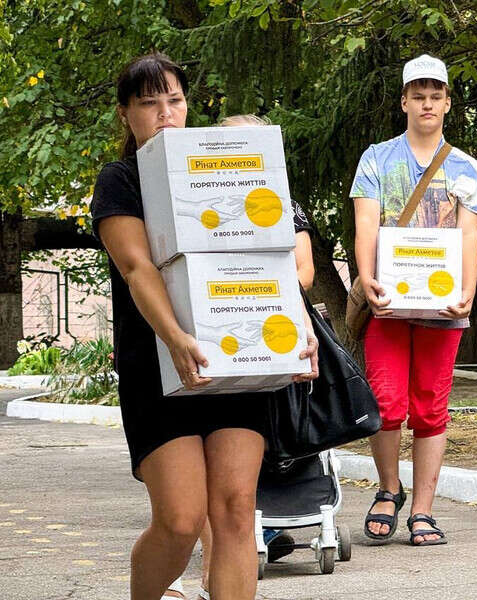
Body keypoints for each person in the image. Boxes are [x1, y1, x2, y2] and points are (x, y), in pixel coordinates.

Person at [90, 53, 318, 600]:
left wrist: (295, 328)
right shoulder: (120, 181)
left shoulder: (224, 167)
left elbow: (268, 253)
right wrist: (175, 338)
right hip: (159, 366)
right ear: (126, 114)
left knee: (238, 510)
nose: (165, 114)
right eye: (149, 104)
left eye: (175, 100)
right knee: (182, 520)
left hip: (235, 360)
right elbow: (137, 267)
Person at [171, 113, 316, 600]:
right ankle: (209, 578)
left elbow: (304, 270)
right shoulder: (189, 194)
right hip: (198, 349)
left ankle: (218, 584)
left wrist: (256, 288)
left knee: (233, 496)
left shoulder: (277, 203)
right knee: (196, 498)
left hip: (254, 349)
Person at [351, 54, 477, 546]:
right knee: (387, 403)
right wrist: (367, 279)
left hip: (442, 306)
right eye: (418, 95)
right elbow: (366, 223)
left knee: (431, 407)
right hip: (388, 303)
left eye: (436, 96)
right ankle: (389, 490)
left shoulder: (467, 167)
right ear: (404, 101)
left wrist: (468, 293)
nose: (427, 104)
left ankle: (424, 511)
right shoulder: (377, 158)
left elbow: (469, 235)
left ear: (447, 103)